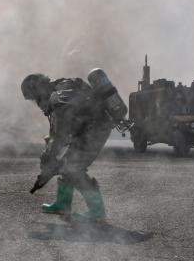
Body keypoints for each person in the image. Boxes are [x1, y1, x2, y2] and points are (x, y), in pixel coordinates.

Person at [21, 69, 126, 223]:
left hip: (95, 130)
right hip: (90, 129)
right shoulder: (63, 87)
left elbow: (59, 137)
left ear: (39, 91)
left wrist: (47, 160)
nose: (37, 104)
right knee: (66, 163)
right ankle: (62, 204)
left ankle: (97, 211)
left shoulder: (58, 99)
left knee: (74, 167)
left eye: (35, 99)